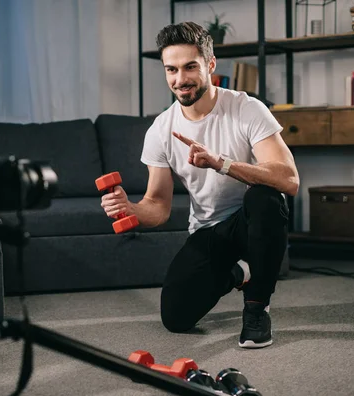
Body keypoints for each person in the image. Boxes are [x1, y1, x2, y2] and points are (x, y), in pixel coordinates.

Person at [100, 22, 299, 349]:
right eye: (171, 70)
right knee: (175, 318)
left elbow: (288, 179)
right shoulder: (161, 130)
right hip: (209, 231)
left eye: (190, 66)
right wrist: (132, 208)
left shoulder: (246, 109)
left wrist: (222, 163)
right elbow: (158, 208)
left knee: (266, 196)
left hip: (252, 223)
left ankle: (257, 309)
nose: (180, 79)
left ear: (210, 64)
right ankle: (239, 272)